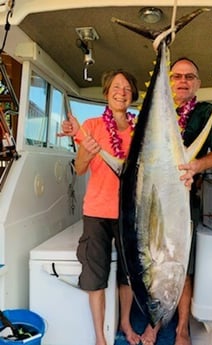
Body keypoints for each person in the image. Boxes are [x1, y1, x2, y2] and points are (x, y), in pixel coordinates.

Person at [140, 58, 212, 345]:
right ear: (168, 81)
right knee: (145, 254)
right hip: (149, 198)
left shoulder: (204, 113)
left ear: (198, 83)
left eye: (189, 76)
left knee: (183, 263)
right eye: (177, 76)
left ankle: (181, 328)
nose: (183, 81)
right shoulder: (152, 113)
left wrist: (196, 166)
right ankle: (154, 323)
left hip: (182, 198)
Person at [59, 69, 142, 345]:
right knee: (96, 276)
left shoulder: (140, 129)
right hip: (96, 212)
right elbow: (80, 169)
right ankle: (100, 337)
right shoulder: (91, 127)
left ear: (133, 96)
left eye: (128, 88)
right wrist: (85, 150)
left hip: (131, 213)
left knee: (129, 274)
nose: (122, 91)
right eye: (116, 87)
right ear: (107, 93)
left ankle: (126, 325)